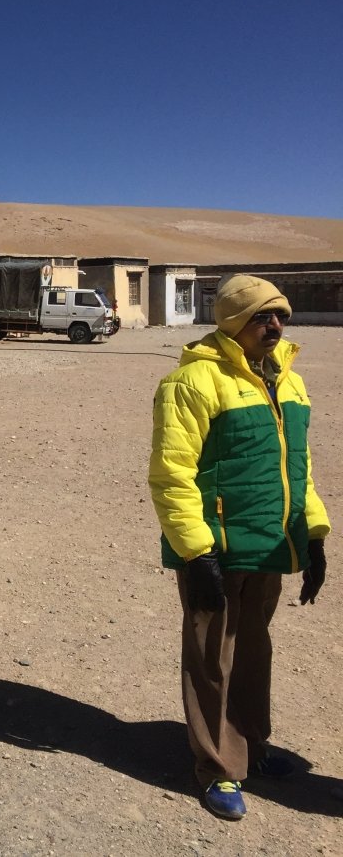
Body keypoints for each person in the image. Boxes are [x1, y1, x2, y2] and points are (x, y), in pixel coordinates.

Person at [148, 274, 330, 821]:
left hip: (270, 545)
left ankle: (252, 746)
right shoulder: (191, 382)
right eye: (261, 316)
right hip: (218, 548)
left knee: (255, 652)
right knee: (212, 659)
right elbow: (170, 474)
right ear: (232, 321)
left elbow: (299, 471)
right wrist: (195, 552)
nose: (274, 326)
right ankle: (217, 768)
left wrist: (314, 537)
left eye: (280, 316)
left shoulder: (289, 382)